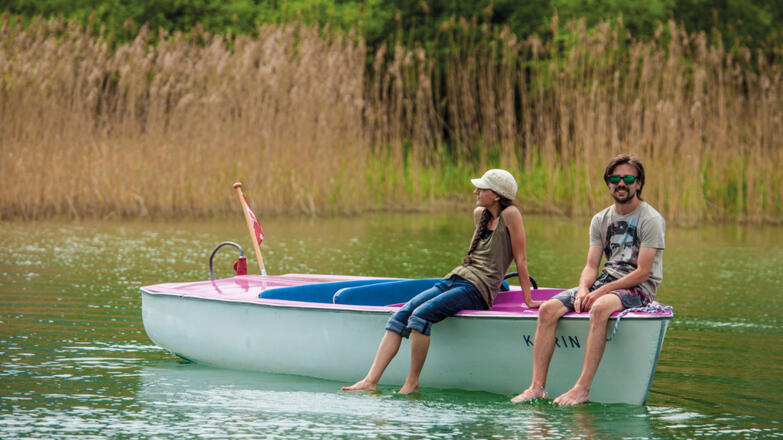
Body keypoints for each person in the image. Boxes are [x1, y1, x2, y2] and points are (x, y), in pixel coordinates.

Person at [342, 169, 542, 394]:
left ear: (496, 195)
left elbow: (521, 259)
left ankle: (411, 384)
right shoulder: (480, 214)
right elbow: (477, 256)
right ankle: (370, 381)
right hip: (457, 278)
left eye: (482, 188)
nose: (475, 191)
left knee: (420, 317)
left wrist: (529, 299)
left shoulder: (511, 214)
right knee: (400, 316)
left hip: (478, 289)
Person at [511, 154, 665, 406]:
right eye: (615, 178)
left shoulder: (650, 219)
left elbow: (643, 272)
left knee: (600, 307)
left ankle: (582, 388)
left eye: (628, 178)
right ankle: (537, 387)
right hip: (605, 281)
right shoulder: (600, 219)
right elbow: (591, 265)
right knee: (548, 309)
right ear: (608, 183)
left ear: (639, 183)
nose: (621, 183)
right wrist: (584, 288)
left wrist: (602, 291)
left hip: (637, 288)